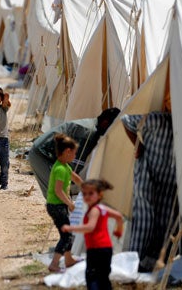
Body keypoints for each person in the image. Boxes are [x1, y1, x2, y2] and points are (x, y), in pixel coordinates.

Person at [121, 108, 177, 272]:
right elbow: (125, 120)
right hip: (148, 171)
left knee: (165, 218)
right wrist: (138, 147)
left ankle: (153, 259)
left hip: (170, 178)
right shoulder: (155, 118)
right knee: (144, 216)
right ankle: (135, 259)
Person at [28, 108, 120, 196]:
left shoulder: (91, 127)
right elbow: (76, 163)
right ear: (105, 123)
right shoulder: (87, 133)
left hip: (46, 153)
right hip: (41, 154)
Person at [62, 179, 124, 290]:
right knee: (104, 277)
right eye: (84, 193)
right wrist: (119, 230)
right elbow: (119, 216)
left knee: (92, 277)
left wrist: (70, 227)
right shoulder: (102, 208)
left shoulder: (94, 210)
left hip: (96, 249)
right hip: (106, 249)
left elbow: (90, 227)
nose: (87, 196)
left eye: (91, 193)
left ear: (100, 195)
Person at [46, 133, 83, 272]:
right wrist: (70, 203)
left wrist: (87, 188)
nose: (75, 156)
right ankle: (54, 264)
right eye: (74, 153)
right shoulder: (60, 169)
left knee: (65, 233)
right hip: (56, 206)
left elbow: (77, 179)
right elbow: (58, 191)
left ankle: (68, 260)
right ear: (67, 152)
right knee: (67, 235)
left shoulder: (65, 166)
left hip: (57, 205)